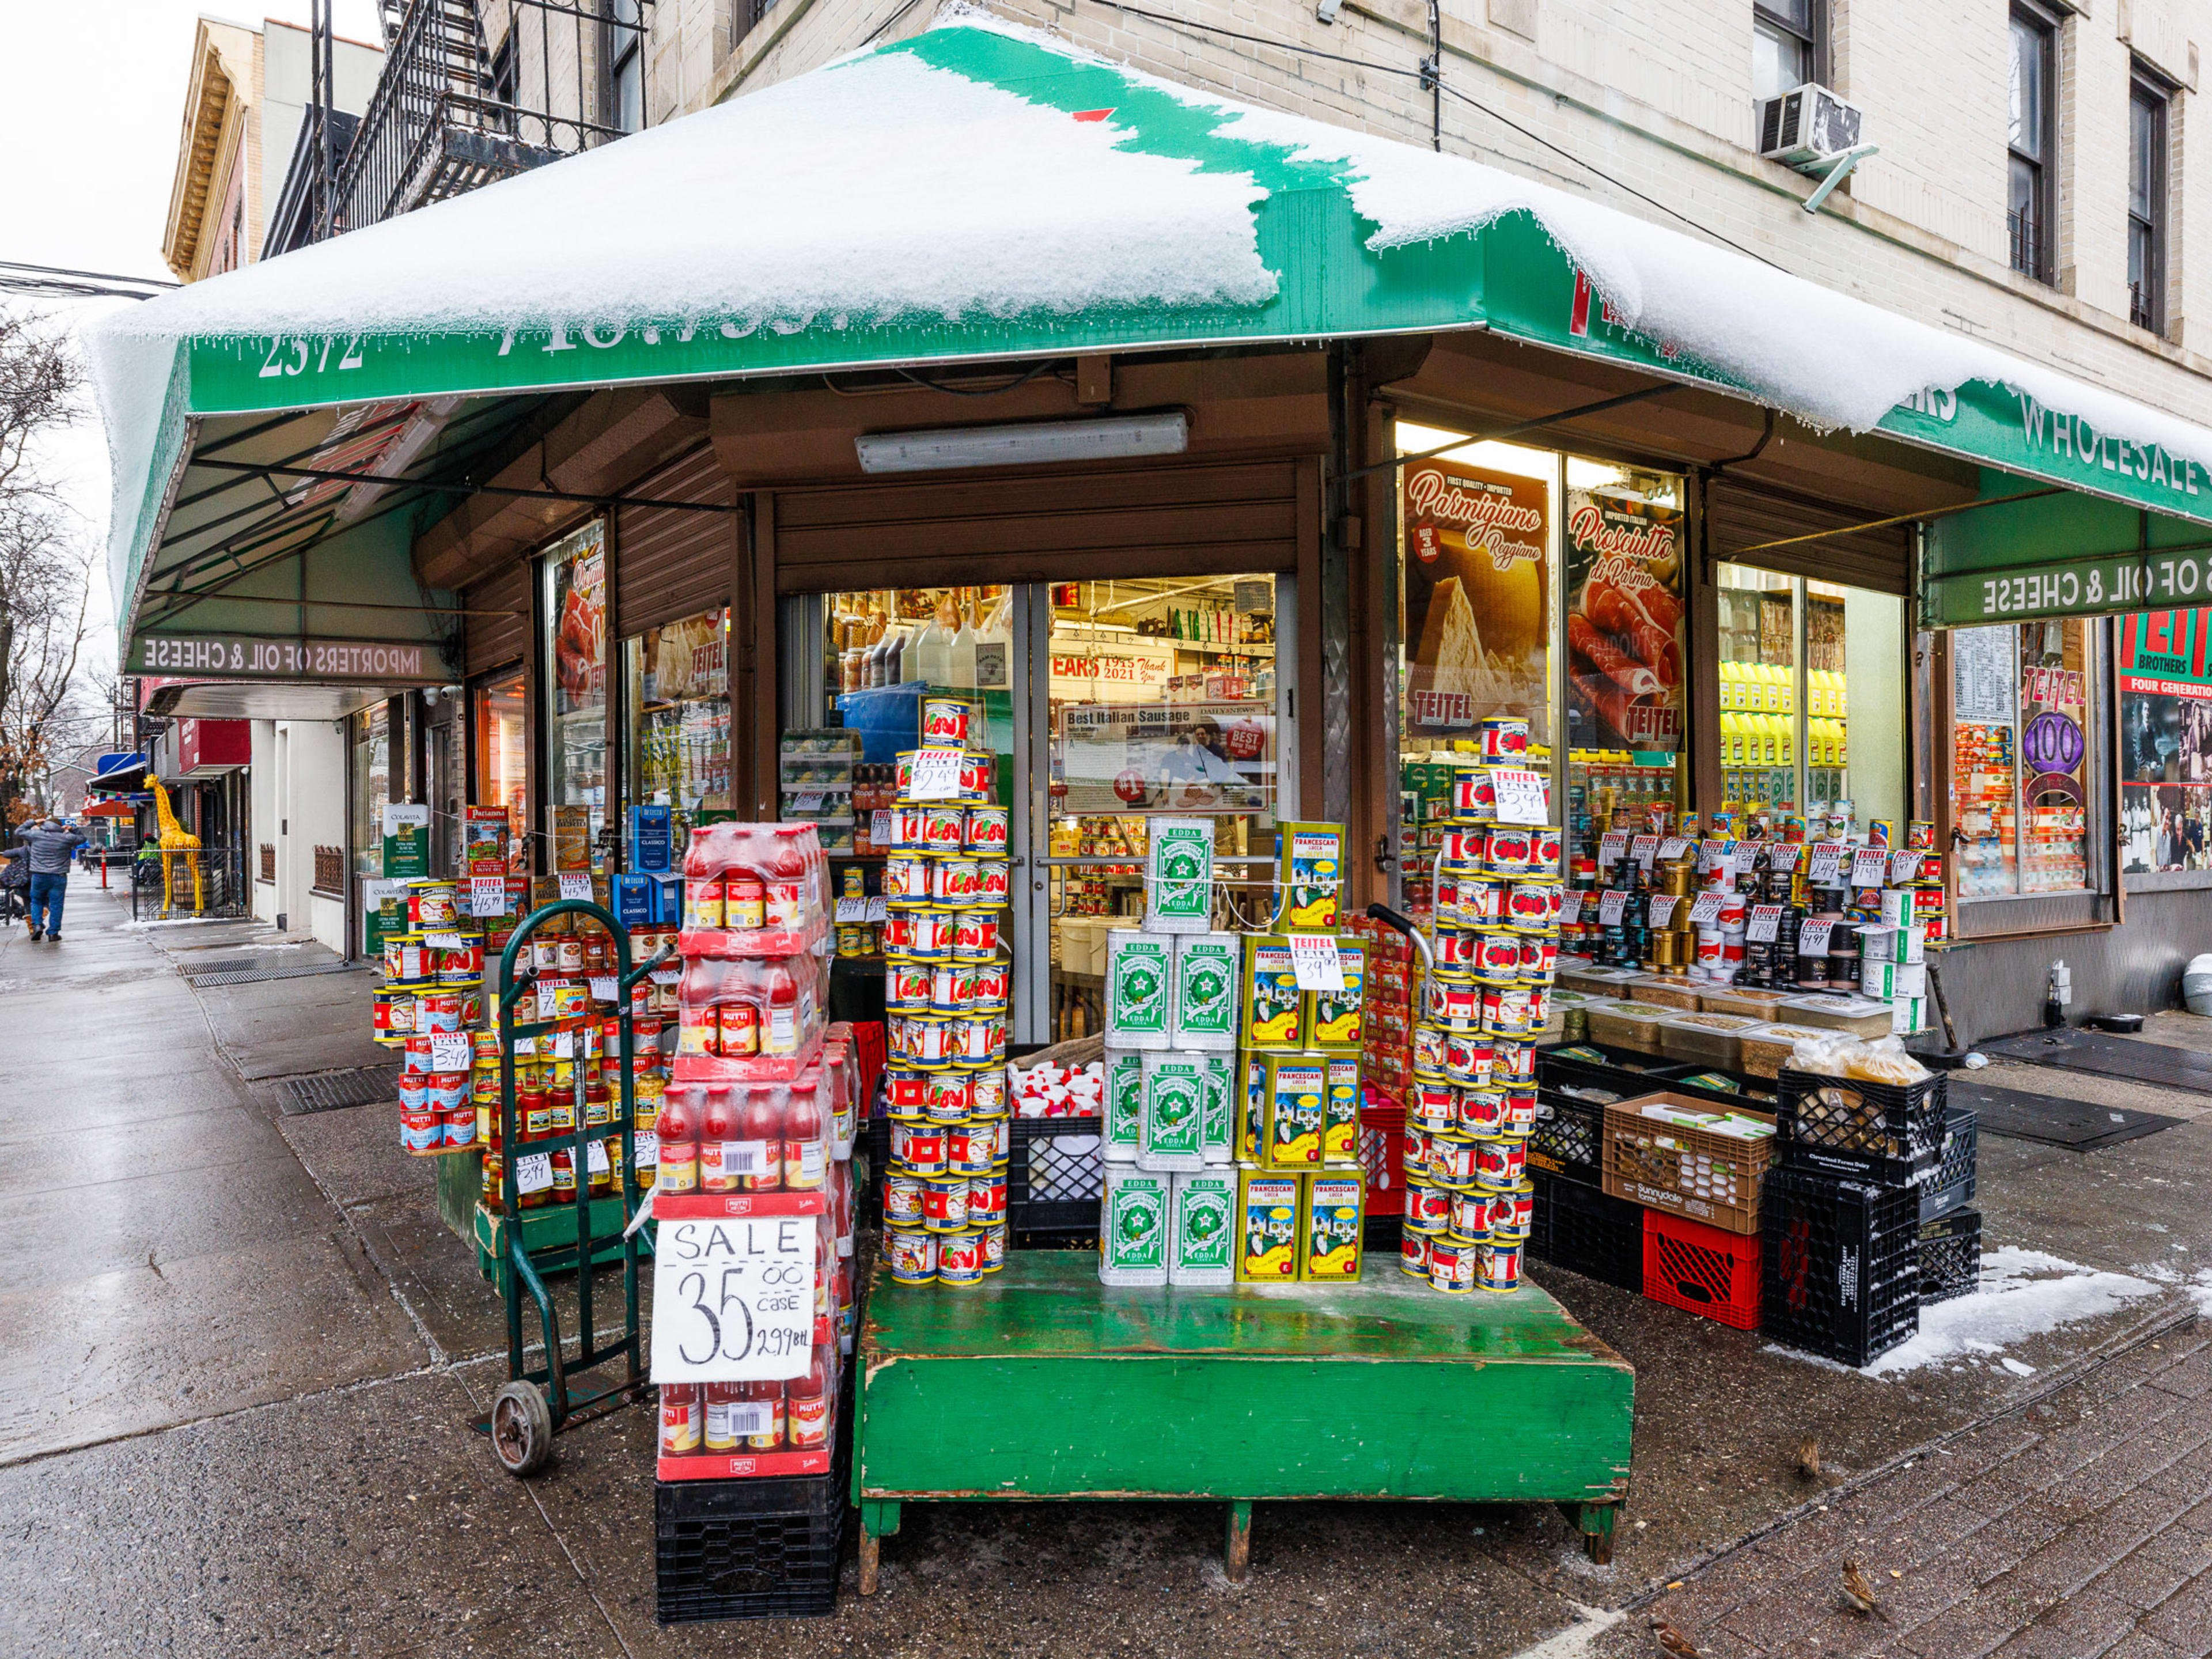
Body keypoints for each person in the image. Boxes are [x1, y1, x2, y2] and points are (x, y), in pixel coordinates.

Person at [9, 817, 88, 942]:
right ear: (60, 826)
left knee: (36, 901)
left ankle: (37, 925)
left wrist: (34, 822)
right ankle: (53, 933)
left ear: (45, 824)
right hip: (59, 876)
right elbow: (82, 839)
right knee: (57, 904)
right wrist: (73, 829)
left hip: (39, 875)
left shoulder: (36, 835)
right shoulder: (67, 838)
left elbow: (19, 831)